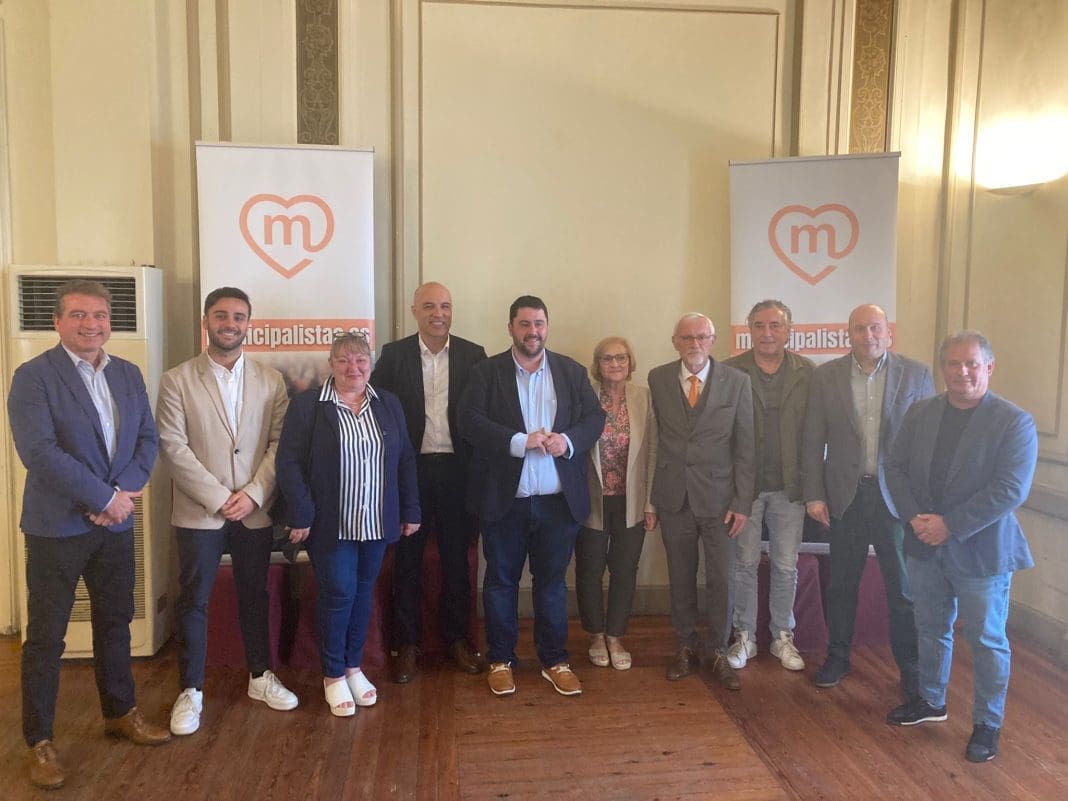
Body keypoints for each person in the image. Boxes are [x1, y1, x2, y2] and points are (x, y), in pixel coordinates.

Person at [8, 279, 170, 790]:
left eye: (100, 314)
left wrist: (122, 494)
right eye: (78, 315)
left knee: (115, 623)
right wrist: (103, 498)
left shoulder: (127, 373)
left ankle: (120, 712)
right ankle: (39, 739)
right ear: (57, 322)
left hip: (116, 523)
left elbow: (147, 438)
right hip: (58, 528)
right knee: (47, 639)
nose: (91, 324)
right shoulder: (33, 377)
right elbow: (40, 452)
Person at [884, 331, 1037, 763]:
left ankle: (988, 724)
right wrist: (915, 517)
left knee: (987, 640)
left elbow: (1010, 489)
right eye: (953, 364)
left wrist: (949, 526)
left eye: (971, 364)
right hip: (924, 544)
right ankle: (931, 702)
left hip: (982, 552)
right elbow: (894, 468)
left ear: (988, 367)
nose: (962, 372)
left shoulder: (1013, 421)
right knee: (930, 629)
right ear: (942, 369)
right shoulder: (921, 413)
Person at [156, 287, 297, 737]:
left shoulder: (271, 380)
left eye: (238, 316)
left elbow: (280, 444)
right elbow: (173, 448)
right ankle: (191, 690)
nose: (230, 323)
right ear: (206, 322)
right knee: (194, 599)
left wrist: (254, 493)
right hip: (201, 513)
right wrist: (220, 497)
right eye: (221, 316)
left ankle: (260, 676)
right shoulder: (176, 380)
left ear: (248, 323)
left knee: (254, 594)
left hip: (253, 510)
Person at [459, 295, 605, 697]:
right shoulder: (487, 373)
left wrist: (569, 441)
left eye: (539, 323)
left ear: (546, 326)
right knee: (501, 583)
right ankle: (501, 659)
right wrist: (519, 441)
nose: (532, 331)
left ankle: (554, 660)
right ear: (510, 328)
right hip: (505, 501)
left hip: (558, 504)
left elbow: (595, 418)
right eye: (524, 324)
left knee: (553, 585)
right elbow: (469, 421)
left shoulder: (571, 372)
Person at [276, 333, 420, 716]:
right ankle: (333, 674)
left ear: (370, 364)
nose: (352, 367)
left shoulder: (388, 404)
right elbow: (288, 463)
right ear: (331, 363)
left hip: (376, 521)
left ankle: (354, 667)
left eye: (360, 360)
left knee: (362, 594)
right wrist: (303, 512)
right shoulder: (309, 406)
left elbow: (404, 460)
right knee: (338, 594)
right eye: (343, 360)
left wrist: (411, 510)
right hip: (331, 525)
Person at [802, 303, 934, 696]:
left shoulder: (916, 374)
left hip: (897, 502)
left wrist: (922, 502)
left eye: (875, 328)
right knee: (841, 585)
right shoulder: (826, 377)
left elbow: (925, 445)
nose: (868, 335)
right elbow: (812, 440)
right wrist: (813, 494)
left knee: (902, 590)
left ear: (888, 332)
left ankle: (910, 669)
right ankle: (838, 657)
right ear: (849, 334)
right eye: (859, 329)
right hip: (846, 497)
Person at [370, 282, 488, 683]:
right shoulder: (394, 355)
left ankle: (456, 640)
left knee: (458, 562)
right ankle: (407, 644)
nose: (438, 313)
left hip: (458, 472)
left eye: (445, 306)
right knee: (408, 561)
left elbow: (483, 417)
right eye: (429, 306)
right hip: (411, 473)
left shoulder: (474, 356)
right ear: (414, 311)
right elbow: (380, 412)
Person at [647, 313, 754, 689]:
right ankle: (685, 647)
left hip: (722, 500)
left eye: (702, 337)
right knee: (680, 577)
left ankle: (718, 651)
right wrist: (651, 499)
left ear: (713, 341)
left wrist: (742, 502)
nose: (695, 344)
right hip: (674, 496)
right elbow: (656, 439)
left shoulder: (737, 382)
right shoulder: (658, 379)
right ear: (675, 341)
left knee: (722, 579)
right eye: (687, 338)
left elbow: (745, 446)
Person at [724, 300, 814, 671]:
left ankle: (782, 636)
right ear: (749, 329)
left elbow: (816, 432)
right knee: (743, 563)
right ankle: (745, 635)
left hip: (789, 488)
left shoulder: (807, 372)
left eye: (775, 325)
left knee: (786, 565)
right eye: (759, 325)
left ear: (789, 330)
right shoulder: (730, 371)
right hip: (744, 488)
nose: (767, 333)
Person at [576, 336, 658, 671]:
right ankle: (595, 634)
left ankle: (615, 636)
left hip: (632, 500)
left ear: (630, 362)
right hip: (591, 499)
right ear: (597, 365)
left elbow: (653, 452)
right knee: (590, 569)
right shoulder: (585, 397)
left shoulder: (644, 397)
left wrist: (651, 504)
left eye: (621, 358)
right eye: (607, 359)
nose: (615, 364)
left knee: (625, 569)